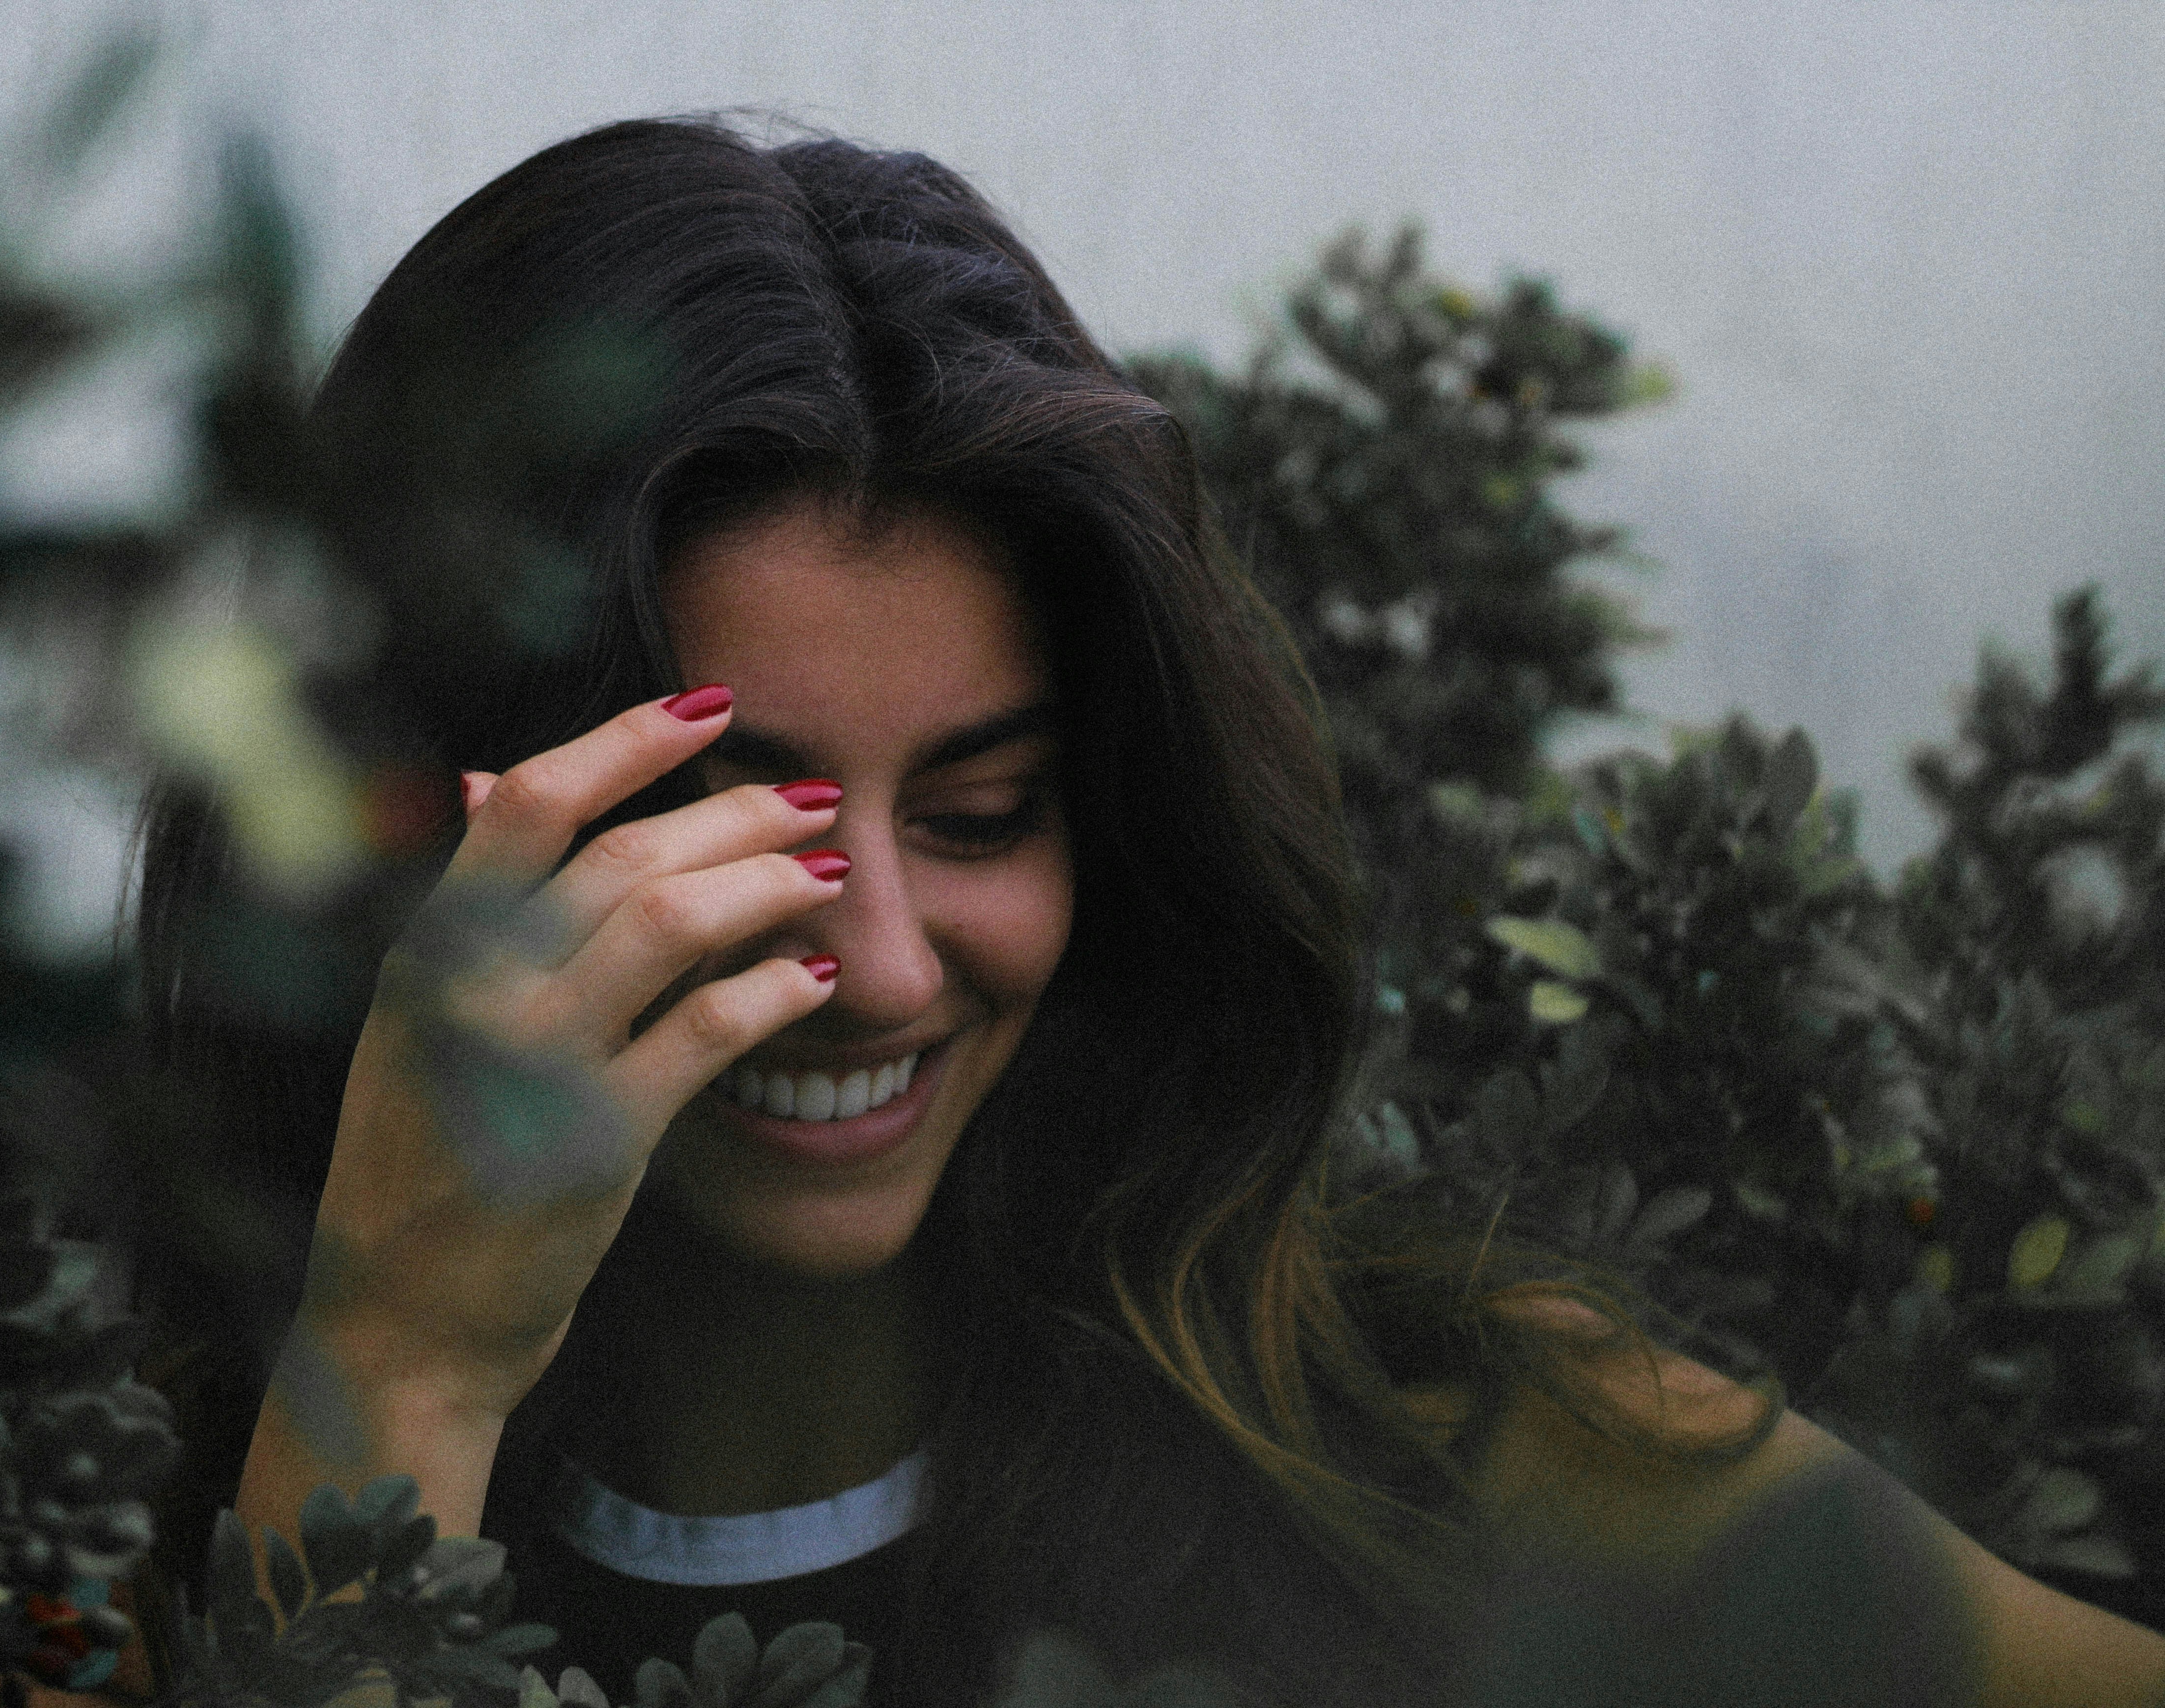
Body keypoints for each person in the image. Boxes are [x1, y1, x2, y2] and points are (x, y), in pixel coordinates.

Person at [139, 118, 2165, 1706]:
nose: (894, 967)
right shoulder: (75, 1511)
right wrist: (398, 1373)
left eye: (988, 808)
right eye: (730, 828)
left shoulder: (1449, 1456)